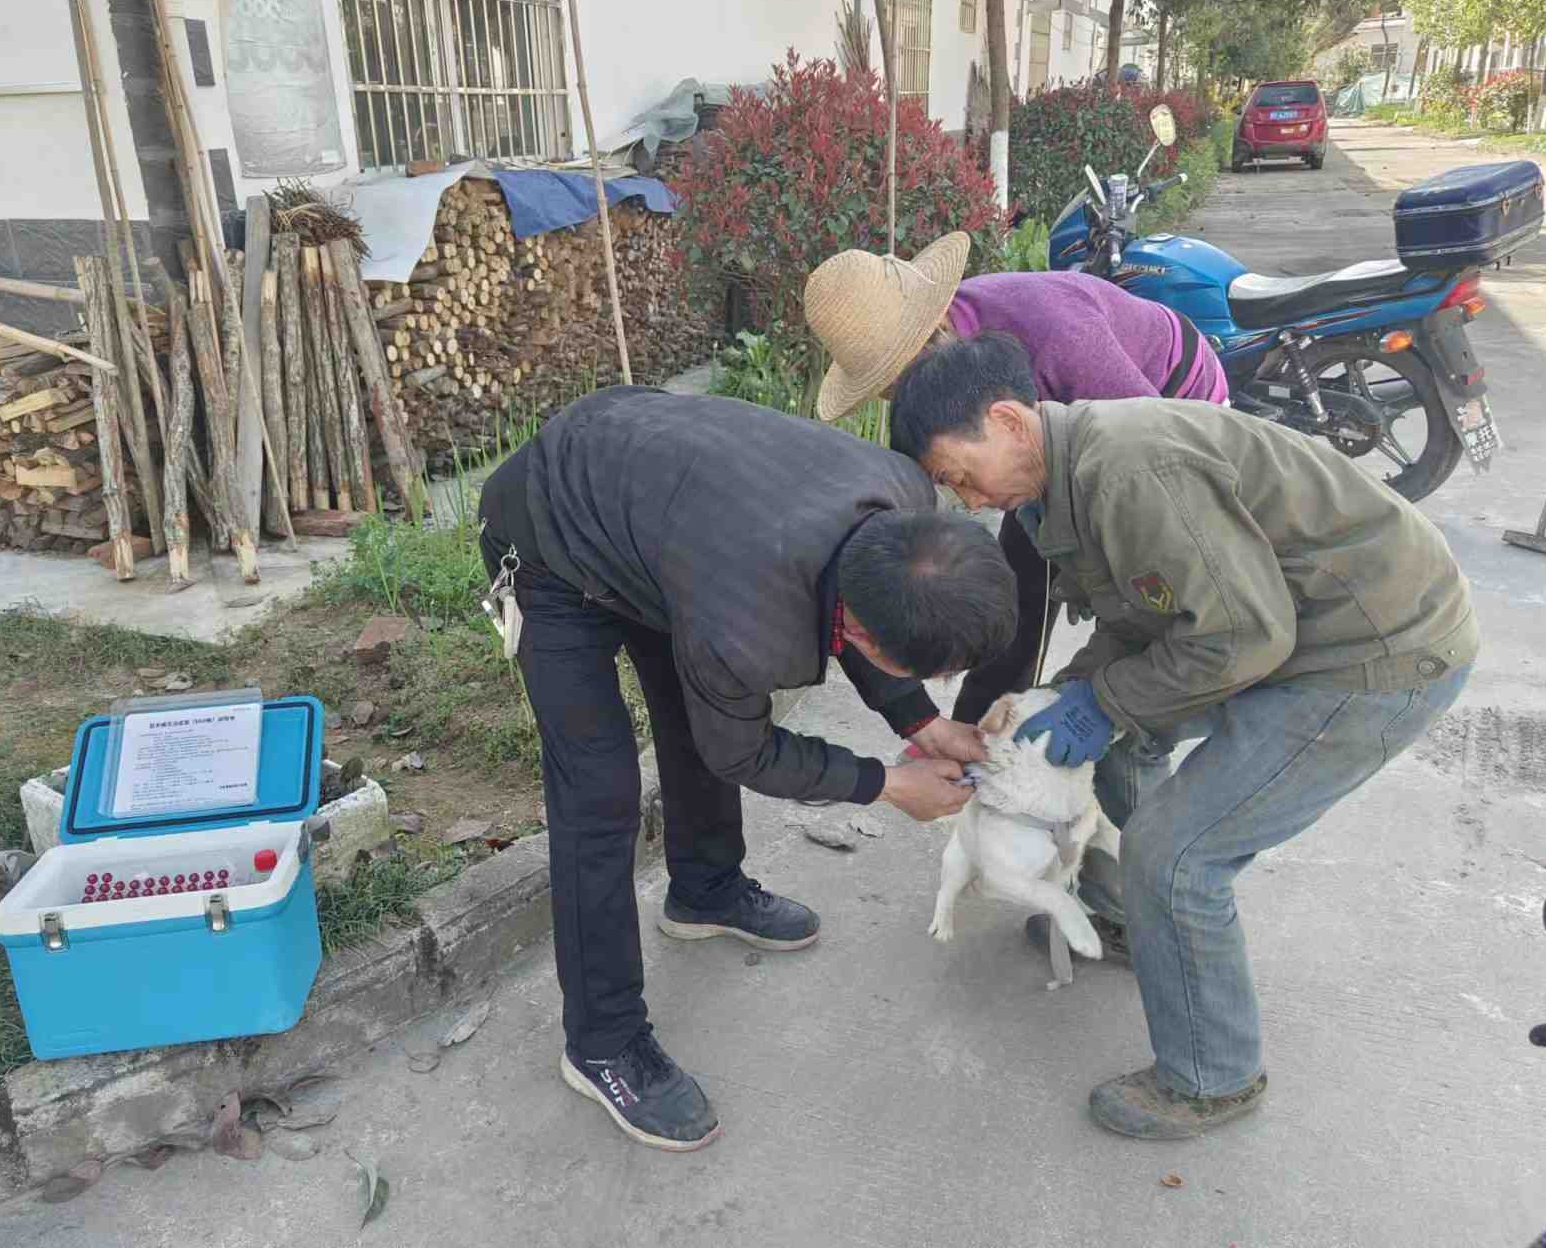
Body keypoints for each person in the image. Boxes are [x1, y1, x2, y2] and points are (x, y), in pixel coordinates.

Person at [888, 332, 1477, 1139]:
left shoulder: (1129, 472)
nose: (965, 498)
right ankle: (1130, 917)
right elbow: (1147, 616)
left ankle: (1213, 1074)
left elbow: (1242, 638)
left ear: (1007, 422)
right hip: (1291, 626)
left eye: (959, 473)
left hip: (1375, 649)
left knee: (1176, 852)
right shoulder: (1062, 484)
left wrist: (1103, 700)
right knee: (1119, 740)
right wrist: (1068, 696)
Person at [477, 385, 1017, 1152]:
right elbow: (744, 751)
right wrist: (888, 783)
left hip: (666, 526)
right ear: (868, 635)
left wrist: (924, 724)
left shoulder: (903, 503)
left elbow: (858, 610)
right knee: (599, 795)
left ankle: (704, 889)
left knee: (694, 709)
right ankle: (602, 1043)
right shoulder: (746, 622)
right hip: (550, 535)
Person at [804, 231, 1228, 736]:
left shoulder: (1057, 333)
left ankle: (1119, 728)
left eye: (901, 381)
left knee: (1126, 581)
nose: (906, 399)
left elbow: (1151, 449)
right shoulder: (961, 370)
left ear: (936, 329)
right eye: (889, 392)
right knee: (1016, 586)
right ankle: (976, 737)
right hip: (1054, 440)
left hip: (1169, 405)